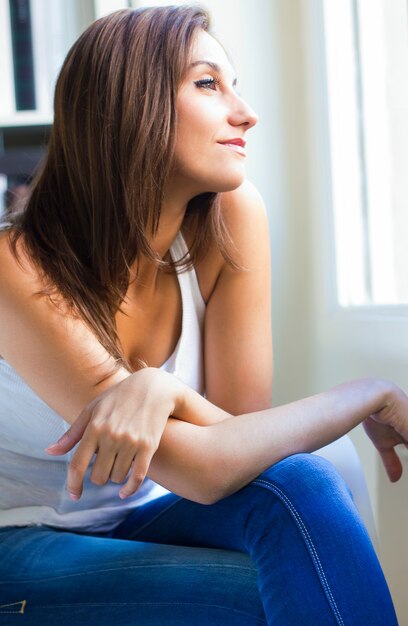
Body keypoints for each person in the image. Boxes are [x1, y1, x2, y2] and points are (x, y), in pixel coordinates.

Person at [0, 5, 405, 625]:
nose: (246, 112)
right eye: (209, 84)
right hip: (18, 545)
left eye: (234, 85)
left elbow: (246, 442)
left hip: (140, 515)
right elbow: (203, 467)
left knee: (303, 486)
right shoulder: (14, 263)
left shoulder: (231, 219)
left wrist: (164, 390)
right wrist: (366, 393)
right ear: (128, 105)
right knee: (285, 595)